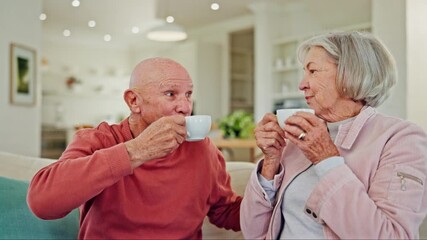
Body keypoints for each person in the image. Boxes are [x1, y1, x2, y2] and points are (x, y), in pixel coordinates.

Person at [27, 57, 241, 239]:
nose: (185, 107)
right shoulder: (98, 140)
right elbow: (42, 203)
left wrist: (269, 178)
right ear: (134, 101)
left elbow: (225, 211)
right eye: (170, 94)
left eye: (188, 94)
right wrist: (137, 150)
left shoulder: (202, 149)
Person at [240, 31, 427, 239]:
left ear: (349, 74)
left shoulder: (401, 140)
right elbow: (253, 232)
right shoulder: (301, 139)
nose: (301, 84)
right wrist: (271, 161)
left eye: (313, 71)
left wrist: (326, 159)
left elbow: (392, 236)